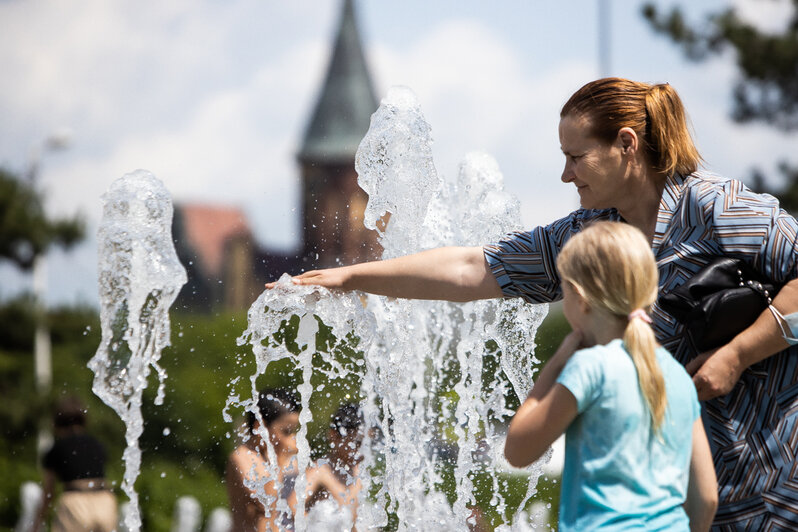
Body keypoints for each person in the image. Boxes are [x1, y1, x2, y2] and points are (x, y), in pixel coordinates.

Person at [267, 77, 798, 528]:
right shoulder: (590, 233)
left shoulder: (720, 208)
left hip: (776, 475)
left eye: (576, 157)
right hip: (683, 503)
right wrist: (349, 277)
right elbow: (473, 267)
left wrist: (738, 354)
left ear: (628, 144)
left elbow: (520, 446)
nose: (566, 175)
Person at [503, 221, 718, 530]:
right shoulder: (676, 376)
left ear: (579, 297)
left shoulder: (591, 367)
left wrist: (558, 361)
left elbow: (518, 451)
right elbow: (707, 498)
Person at [226, 388, 349, 532]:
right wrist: (280, 458)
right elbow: (265, 503)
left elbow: (295, 503)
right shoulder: (242, 458)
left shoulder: (286, 460)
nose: (292, 439)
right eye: (286, 431)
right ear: (261, 428)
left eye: (294, 431)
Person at [30, 396, 117, 532]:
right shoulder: (97, 444)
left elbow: (49, 491)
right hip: (105, 500)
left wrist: (37, 522)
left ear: (57, 423)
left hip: (75, 503)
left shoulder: (56, 448)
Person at [306, 403, 363, 524]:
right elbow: (292, 507)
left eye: (365, 443)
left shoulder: (358, 471)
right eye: (356, 442)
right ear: (333, 436)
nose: (361, 450)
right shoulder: (320, 469)